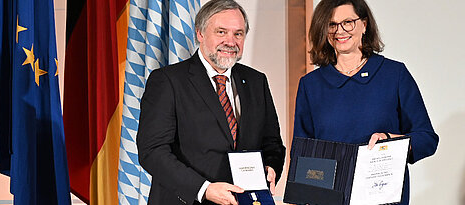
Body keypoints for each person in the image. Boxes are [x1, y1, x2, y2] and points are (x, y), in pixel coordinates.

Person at [136, 0, 285, 204]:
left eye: (238, 34)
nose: (230, 41)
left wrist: (271, 167)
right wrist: (203, 189)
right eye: (221, 32)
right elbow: (152, 151)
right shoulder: (168, 81)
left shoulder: (256, 81)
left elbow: (273, 144)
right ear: (200, 33)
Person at [293, 0, 439, 204]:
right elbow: (301, 155)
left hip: (383, 198)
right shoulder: (310, 85)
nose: (340, 31)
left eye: (348, 22)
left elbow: (427, 139)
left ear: (364, 24)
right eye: (332, 25)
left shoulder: (394, 74)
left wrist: (391, 139)